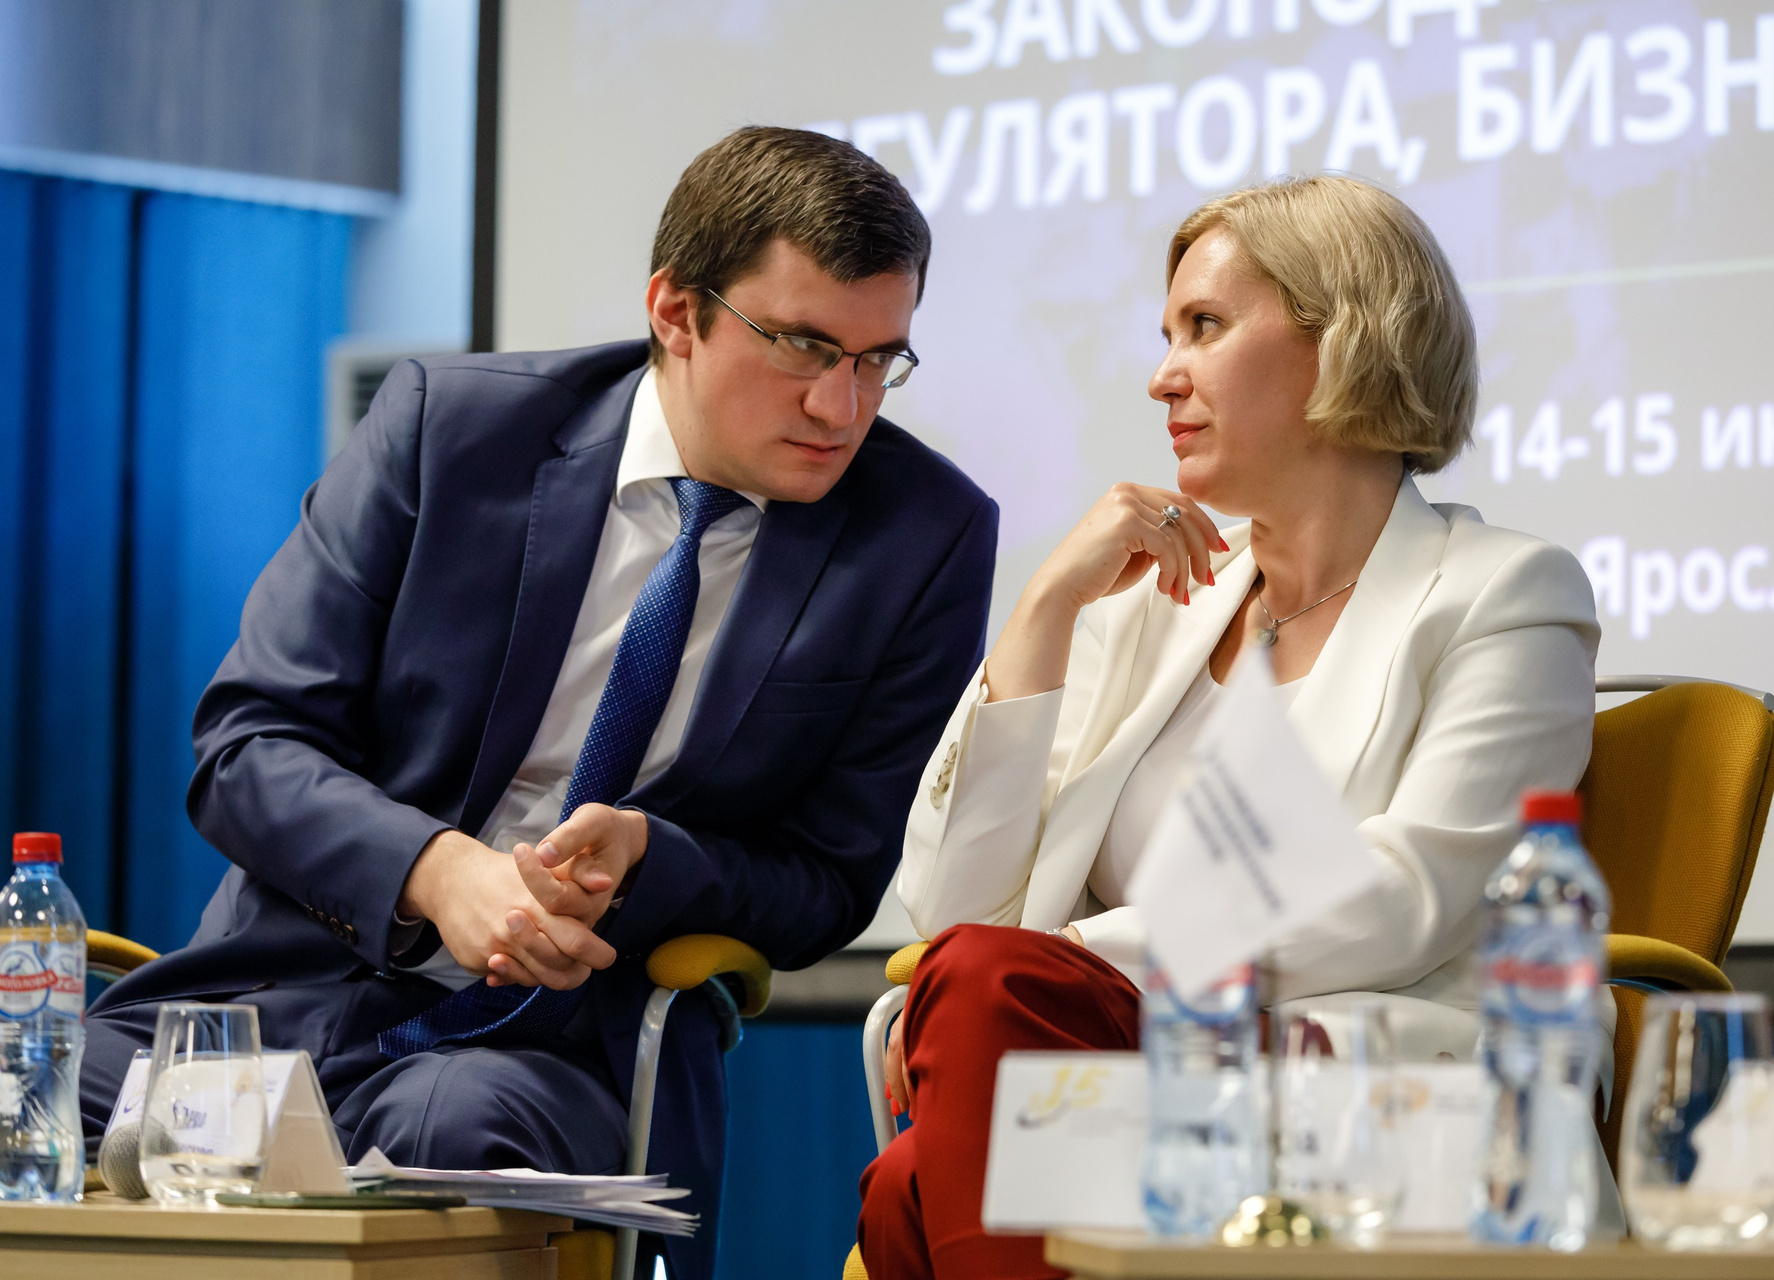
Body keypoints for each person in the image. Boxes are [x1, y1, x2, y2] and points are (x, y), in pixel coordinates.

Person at [80, 127, 997, 1280]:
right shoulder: (452, 431)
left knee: (457, 1134)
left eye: (878, 360)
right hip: (285, 997)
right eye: (805, 346)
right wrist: (437, 872)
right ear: (676, 309)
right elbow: (247, 742)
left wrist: (655, 856)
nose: (841, 404)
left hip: (551, 1041)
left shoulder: (921, 536)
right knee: (36, 1095)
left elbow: (829, 878)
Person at [856, 175, 1602, 1279]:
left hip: (1360, 1094)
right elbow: (957, 910)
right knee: (933, 1115)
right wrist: (1044, 608)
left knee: (922, 1164)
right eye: (1168, 336)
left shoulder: (1505, 593)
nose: (1164, 375)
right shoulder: (1153, 605)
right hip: (1140, 1094)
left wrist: (1082, 959)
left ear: (1345, 341)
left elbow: (1403, 895)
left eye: (1204, 326)